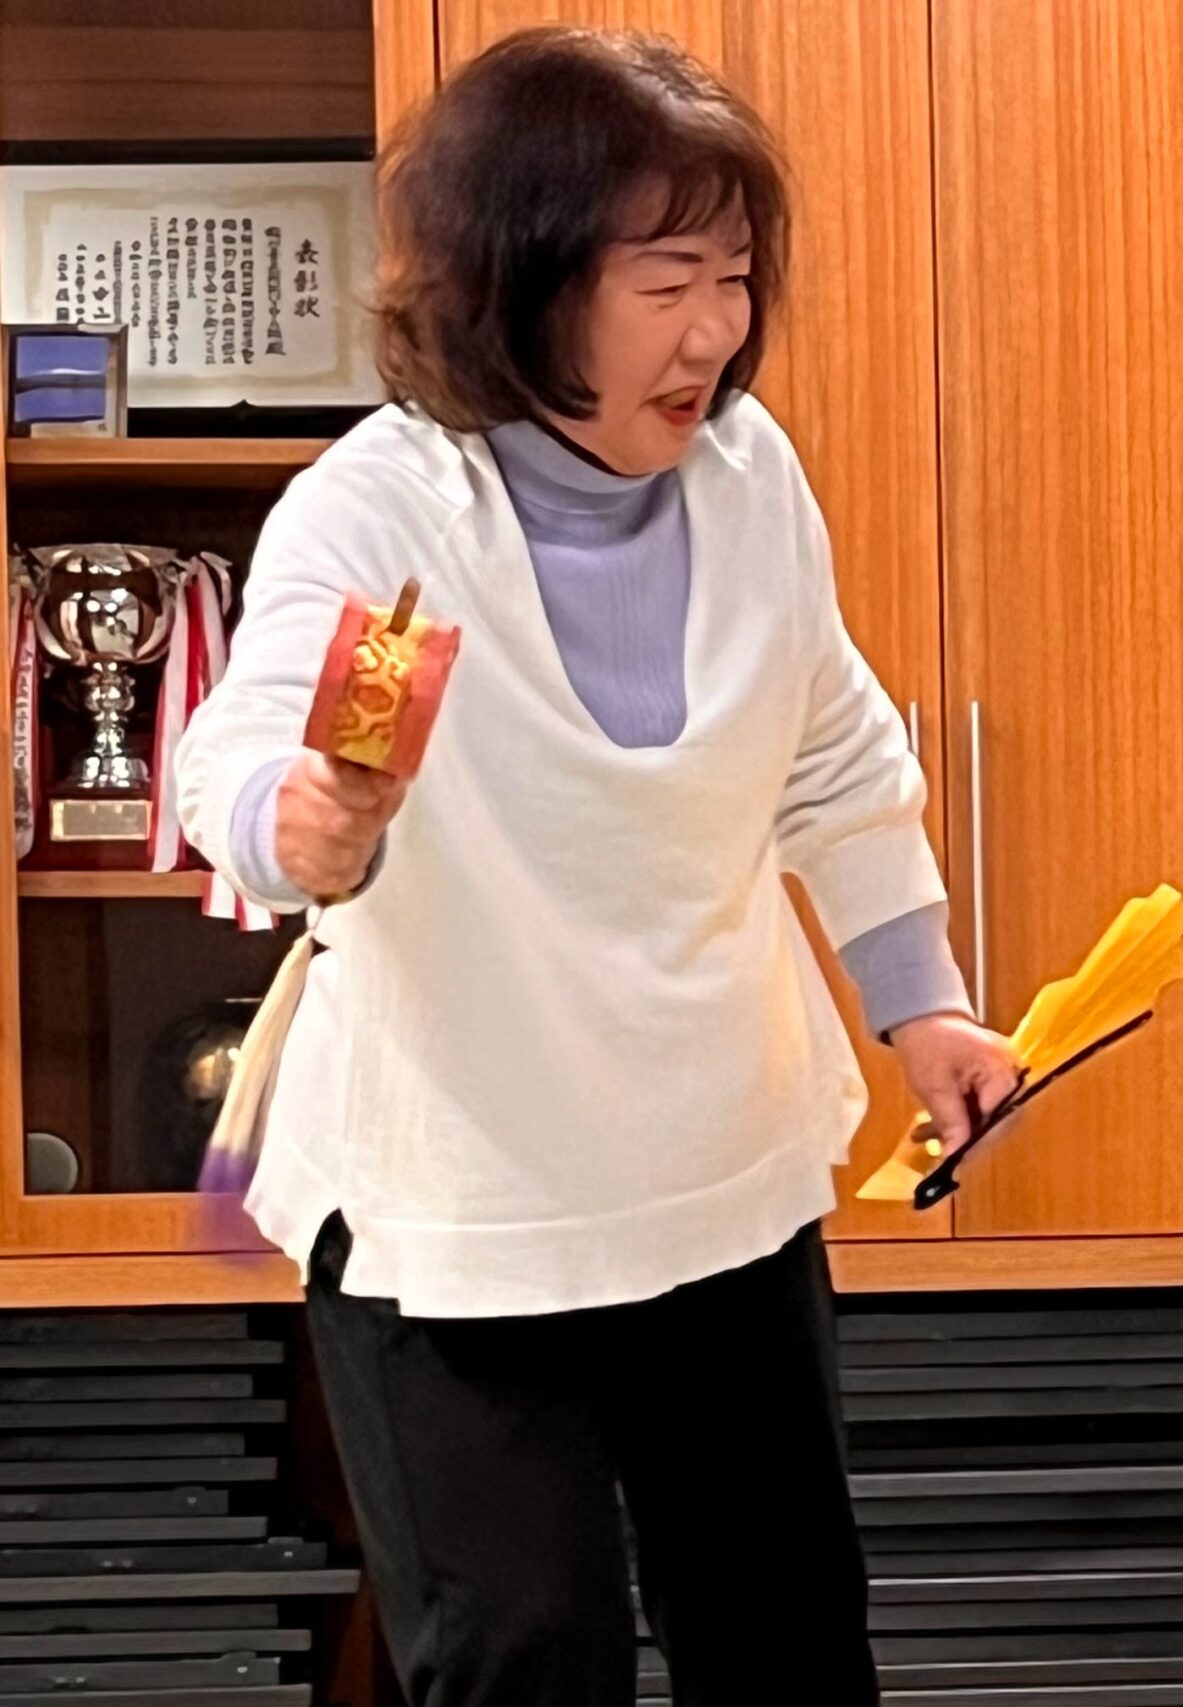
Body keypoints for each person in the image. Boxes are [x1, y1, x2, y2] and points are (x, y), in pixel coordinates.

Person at [175, 27, 1018, 1706]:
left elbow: (835, 756)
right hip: (458, 1206)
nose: (717, 332)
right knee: (526, 1655)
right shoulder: (385, 508)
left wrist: (921, 1005)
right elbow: (241, 751)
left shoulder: (753, 478)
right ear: (525, 282)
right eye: (667, 282)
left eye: (737, 277)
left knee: (784, 1640)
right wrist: (306, 818)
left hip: (717, 1166)